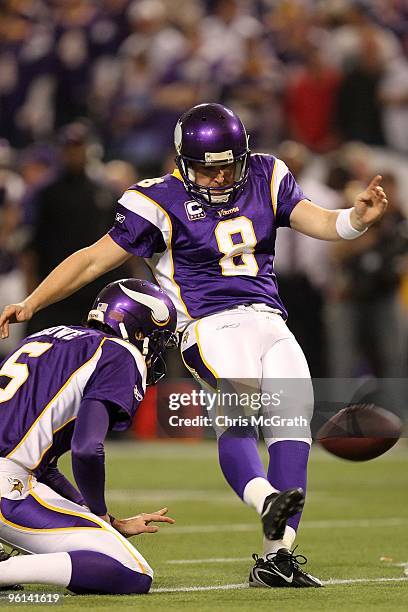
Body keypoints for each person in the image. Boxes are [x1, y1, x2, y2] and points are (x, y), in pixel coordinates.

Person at [0, 103, 388, 588]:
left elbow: (323, 222)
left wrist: (357, 217)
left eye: (229, 164)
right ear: (183, 162)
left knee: (292, 428)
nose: (222, 176)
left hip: (271, 320)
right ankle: (264, 498)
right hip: (212, 325)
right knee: (241, 418)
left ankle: (277, 558)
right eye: (209, 168)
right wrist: (33, 301)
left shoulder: (267, 174)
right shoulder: (157, 200)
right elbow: (93, 260)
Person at [0, 278, 178, 594]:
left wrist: (105, 520)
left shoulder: (47, 336)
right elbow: (86, 449)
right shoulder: (121, 352)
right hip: (6, 484)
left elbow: (45, 467)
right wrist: (96, 511)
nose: (156, 350)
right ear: (139, 332)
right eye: (157, 339)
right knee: (133, 573)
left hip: (12, 473)